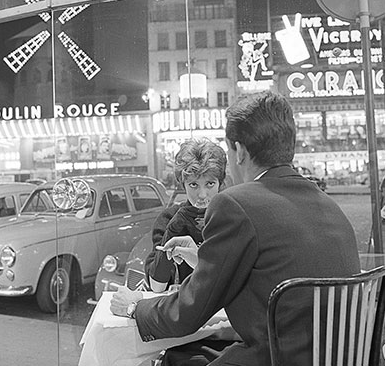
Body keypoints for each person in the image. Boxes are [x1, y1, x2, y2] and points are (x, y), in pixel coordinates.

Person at [110, 92, 361, 366]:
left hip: (275, 359)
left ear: (239, 151)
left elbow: (187, 313)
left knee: (171, 359)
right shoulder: (328, 205)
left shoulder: (236, 204)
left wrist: (135, 307)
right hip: (336, 356)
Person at [144, 137, 227, 293]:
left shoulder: (233, 218)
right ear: (183, 185)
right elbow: (157, 286)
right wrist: (172, 231)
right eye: (193, 184)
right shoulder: (169, 218)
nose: (202, 195)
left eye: (210, 184)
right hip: (185, 309)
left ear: (220, 183)